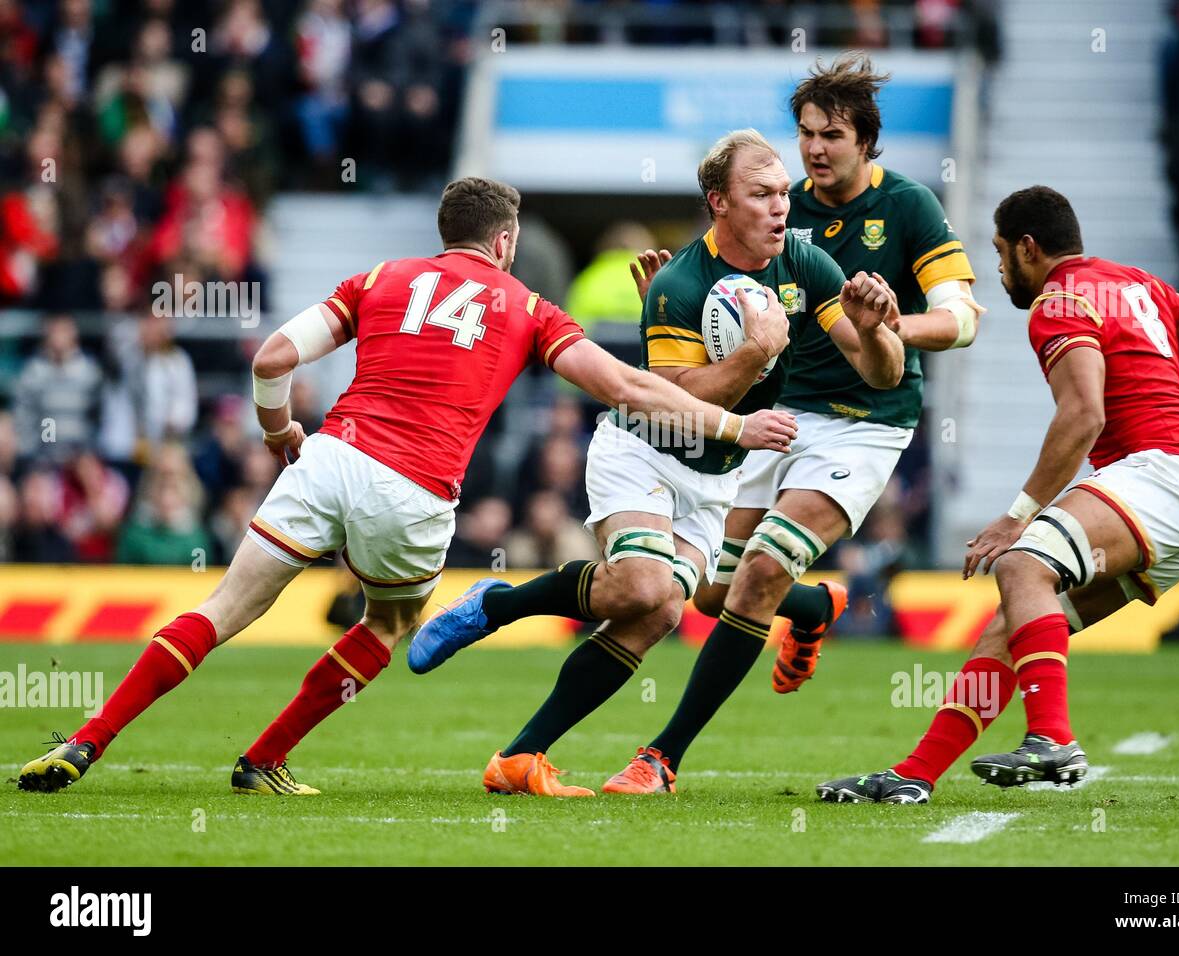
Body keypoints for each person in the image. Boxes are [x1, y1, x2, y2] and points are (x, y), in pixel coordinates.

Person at [16, 176, 797, 796]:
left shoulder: (380, 277)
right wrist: (732, 426)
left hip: (330, 456)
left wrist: (278, 432)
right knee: (387, 625)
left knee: (220, 610)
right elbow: (627, 387)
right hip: (416, 489)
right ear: (504, 240)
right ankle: (263, 759)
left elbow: (271, 360)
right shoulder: (526, 306)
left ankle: (89, 737)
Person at [410, 129, 904, 798]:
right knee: (647, 590)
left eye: (784, 193)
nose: (780, 207)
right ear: (719, 203)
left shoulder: (806, 266)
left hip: (715, 477)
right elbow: (670, 403)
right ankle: (498, 606)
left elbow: (882, 375)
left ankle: (519, 756)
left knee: (662, 611)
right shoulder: (679, 282)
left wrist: (876, 327)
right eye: (760, 194)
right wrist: (754, 357)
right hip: (642, 451)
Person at [604, 54, 984, 794]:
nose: (815, 149)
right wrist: (669, 301)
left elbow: (965, 317)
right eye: (807, 133)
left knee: (761, 572)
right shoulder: (777, 202)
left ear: (865, 141)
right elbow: (713, 292)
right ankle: (816, 608)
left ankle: (662, 757)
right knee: (712, 593)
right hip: (774, 416)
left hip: (867, 418)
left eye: (832, 135)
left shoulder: (906, 207)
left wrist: (889, 323)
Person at [817, 185, 1179, 804]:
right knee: (1011, 625)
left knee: (1020, 563)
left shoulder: (1059, 301)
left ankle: (1053, 739)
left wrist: (1017, 517)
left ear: (1028, 247)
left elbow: (1083, 415)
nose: (997, 268)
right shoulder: (1136, 282)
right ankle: (915, 776)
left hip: (1158, 477)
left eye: (999, 251)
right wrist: (1164, 406)